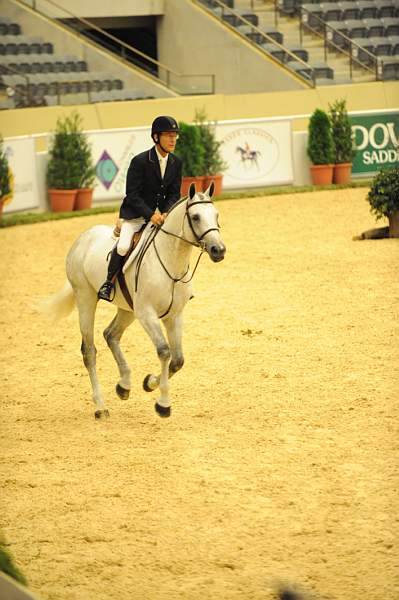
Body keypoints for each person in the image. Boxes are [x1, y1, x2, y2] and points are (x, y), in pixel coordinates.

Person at [98, 115, 182, 301]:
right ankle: (108, 283)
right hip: (136, 216)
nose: (173, 139)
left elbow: (175, 193)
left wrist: (167, 211)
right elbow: (132, 195)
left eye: (175, 135)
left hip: (161, 217)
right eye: (168, 135)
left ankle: (178, 284)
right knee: (123, 246)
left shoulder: (176, 162)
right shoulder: (140, 161)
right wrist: (151, 214)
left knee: (174, 244)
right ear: (156, 137)